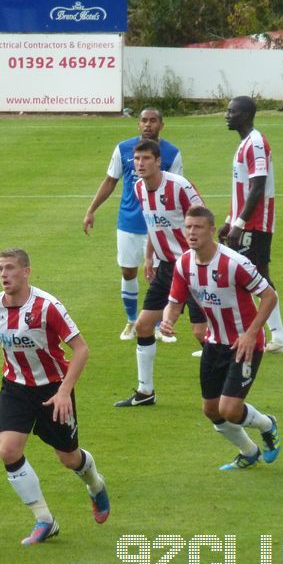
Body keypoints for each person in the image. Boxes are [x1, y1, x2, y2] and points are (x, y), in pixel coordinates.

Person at [0, 248, 109, 546]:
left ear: (26, 271)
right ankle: (44, 520)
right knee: (8, 450)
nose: (4, 274)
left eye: (9, 268)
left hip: (52, 390)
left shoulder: (48, 307)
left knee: (69, 458)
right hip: (16, 388)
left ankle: (96, 484)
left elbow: (81, 349)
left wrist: (64, 392)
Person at [160, 206, 281, 470]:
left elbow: (269, 295)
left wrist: (251, 334)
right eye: (188, 227)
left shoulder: (234, 263)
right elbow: (174, 301)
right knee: (211, 410)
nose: (192, 233)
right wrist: (168, 320)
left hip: (245, 344)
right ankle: (248, 451)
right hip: (214, 343)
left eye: (198, 227)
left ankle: (267, 424)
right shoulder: (184, 264)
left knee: (230, 410)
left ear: (212, 230)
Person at [114, 139, 207, 407]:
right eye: (136, 160)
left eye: (145, 159)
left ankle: (228, 381)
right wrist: (149, 256)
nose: (140, 164)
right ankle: (145, 392)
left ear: (158, 162)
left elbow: (203, 218)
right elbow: (154, 225)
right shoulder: (139, 188)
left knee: (201, 332)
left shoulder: (179, 187)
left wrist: (202, 260)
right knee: (143, 326)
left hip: (193, 266)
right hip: (167, 268)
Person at [83, 107, 183, 341]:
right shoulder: (123, 149)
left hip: (159, 225)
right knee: (128, 272)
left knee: (159, 275)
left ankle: (158, 324)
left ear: (161, 125)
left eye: (153, 121)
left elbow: (179, 186)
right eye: (144, 121)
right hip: (129, 222)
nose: (148, 125)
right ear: (138, 124)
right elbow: (110, 181)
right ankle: (131, 320)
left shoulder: (172, 154)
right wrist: (91, 209)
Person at [219, 96, 283, 353]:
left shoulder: (256, 144)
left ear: (246, 116)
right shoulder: (245, 143)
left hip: (255, 224)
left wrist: (240, 223)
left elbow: (258, 186)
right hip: (246, 223)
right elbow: (242, 188)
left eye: (232, 112)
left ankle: (254, 336)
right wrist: (230, 220)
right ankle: (277, 337)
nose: (226, 115)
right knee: (258, 277)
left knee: (252, 278)